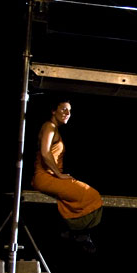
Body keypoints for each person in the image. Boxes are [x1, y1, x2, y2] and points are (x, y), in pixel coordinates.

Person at [31, 99, 103, 253]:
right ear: (53, 111)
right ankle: (77, 232)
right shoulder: (49, 127)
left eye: (69, 111)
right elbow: (45, 153)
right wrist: (59, 174)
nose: (67, 113)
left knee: (83, 195)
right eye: (63, 109)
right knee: (91, 194)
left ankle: (75, 232)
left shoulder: (54, 128)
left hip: (52, 177)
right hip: (45, 176)